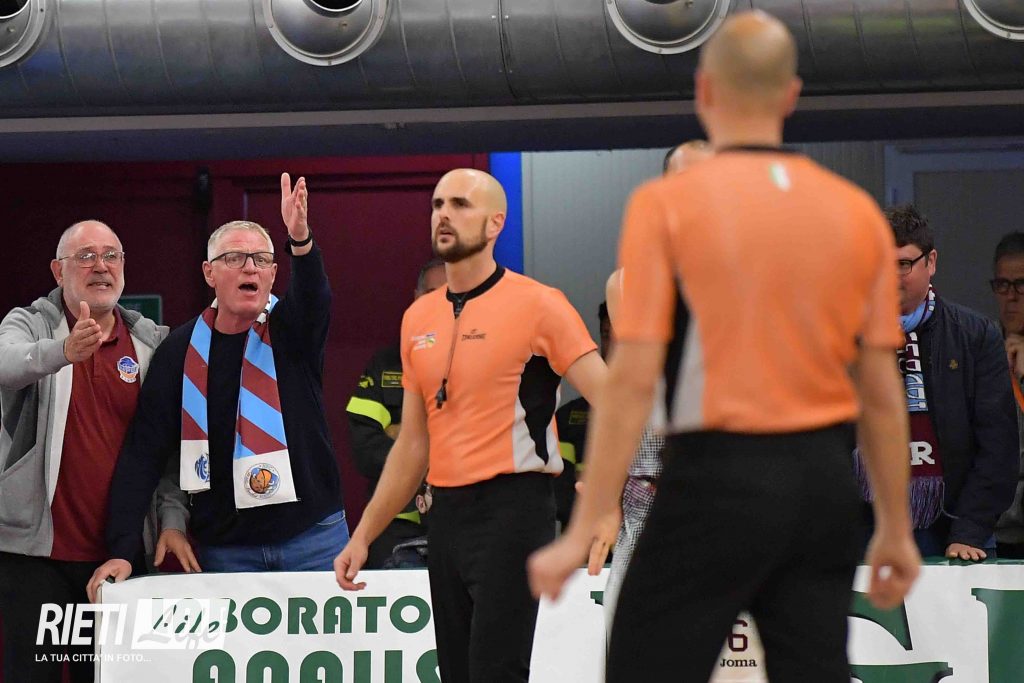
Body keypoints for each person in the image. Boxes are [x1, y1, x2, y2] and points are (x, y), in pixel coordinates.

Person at [528, 11, 921, 683]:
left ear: (705, 91)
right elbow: (882, 393)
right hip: (822, 483)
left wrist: (586, 520)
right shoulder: (854, 212)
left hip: (715, 479)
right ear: (791, 94)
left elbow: (633, 380)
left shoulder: (668, 205)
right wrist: (895, 526)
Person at [335, 168, 606, 683]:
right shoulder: (417, 318)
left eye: (460, 204)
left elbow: (614, 401)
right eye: (437, 204)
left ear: (495, 223)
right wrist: (363, 535)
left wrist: (606, 499)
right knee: (457, 673)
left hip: (514, 507)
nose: (444, 214)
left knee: (495, 671)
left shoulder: (539, 304)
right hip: (446, 513)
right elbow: (413, 444)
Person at [88, 174, 347, 599]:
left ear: (273, 274)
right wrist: (122, 549)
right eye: (235, 258)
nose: (250, 267)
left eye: (261, 260)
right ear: (209, 273)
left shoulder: (292, 330)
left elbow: (314, 297)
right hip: (227, 551)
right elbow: (144, 453)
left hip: (313, 538)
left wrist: (300, 239)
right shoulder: (178, 351)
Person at [0, 220, 188, 683]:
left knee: (110, 675)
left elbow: (168, 449)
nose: (100, 266)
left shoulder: (152, 342)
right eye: (85, 256)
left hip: (121, 554)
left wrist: (171, 519)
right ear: (57, 270)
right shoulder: (29, 323)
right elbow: (7, 364)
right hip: (34, 554)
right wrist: (63, 350)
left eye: (111, 255)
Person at [856, 206, 1016, 561]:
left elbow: (999, 448)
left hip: (956, 530)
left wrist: (970, 530)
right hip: (862, 530)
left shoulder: (975, 335)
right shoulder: (844, 336)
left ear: (931, 262)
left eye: (903, 264)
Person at [599, 139, 714, 626]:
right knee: (627, 639)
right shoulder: (626, 283)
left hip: (731, 498)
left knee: (739, 658)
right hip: (646, 495)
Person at [346, 258, 446, 568]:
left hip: (460, 519)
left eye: (449, 293)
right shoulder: (386, 364)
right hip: (393, 523)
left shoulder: (481, 358)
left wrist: (402, 436)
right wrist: (426, 452)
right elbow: (364, 450)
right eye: (431, 293)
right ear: (416, 298)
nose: (439, 302)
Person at [553, 301, 611, 526]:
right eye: (606, 335)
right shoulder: (567, 417)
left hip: (639, 536)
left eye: (622, 336)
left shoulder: (658, 411)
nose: (613, 343)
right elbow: (561, 497)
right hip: (583, 537)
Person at [993, 233, 1024, 558]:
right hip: (994, 532)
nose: (1011, 296)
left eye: (1021, 285)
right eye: (1003, 285)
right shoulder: (979, 352)